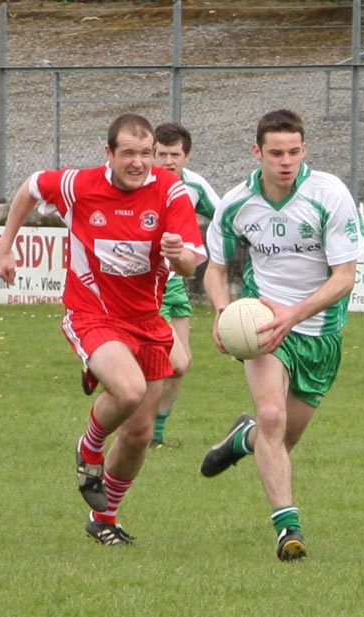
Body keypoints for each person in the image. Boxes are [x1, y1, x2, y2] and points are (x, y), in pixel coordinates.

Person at [0, 113, 207, 546]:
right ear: (108, 154)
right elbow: (31, 187)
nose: (138, 162)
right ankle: (88, 448)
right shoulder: (78, 186)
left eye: (145, 153)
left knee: (140, 432)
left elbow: (190, 262)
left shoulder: (171, 192)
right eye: (128, 152)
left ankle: (104, 518)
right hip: (91, 312)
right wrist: (5, 244)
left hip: (146, 319)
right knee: (127, 390)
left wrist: (176, 252)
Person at [200, 109, 361, 561]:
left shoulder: (329, 195)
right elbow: (214, 266)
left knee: (281, 439)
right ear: (258, 153)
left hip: (320, 330)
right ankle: (288, 531)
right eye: (275, 153)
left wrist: (297, 313)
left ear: (304, 150)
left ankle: (241, 440)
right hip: (264, 321)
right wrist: (221, 310)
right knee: (272, 416)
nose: (285, 161)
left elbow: (344, 276)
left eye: (293, 152)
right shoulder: (237, 202)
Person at [150, 121, 220, 447]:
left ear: (186, 156)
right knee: (164, 362)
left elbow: (225, 219)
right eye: (161, 154)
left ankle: (156, 433)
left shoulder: (194, 187)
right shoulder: (139, 183)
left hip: (176, 283)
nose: (168, 161)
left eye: (174, 154)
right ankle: (140, 428)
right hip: (145, 285)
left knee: (181, 366)